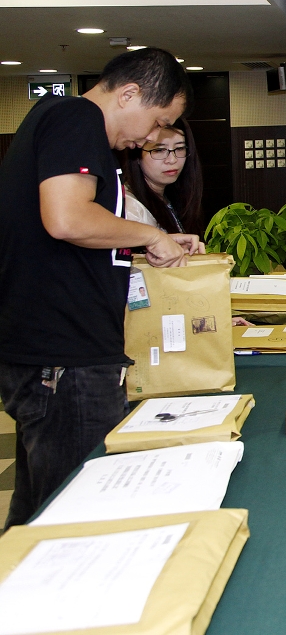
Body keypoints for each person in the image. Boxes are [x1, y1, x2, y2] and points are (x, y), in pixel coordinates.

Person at [0, 47, 203, 529]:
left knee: (39, 510)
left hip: (57, 351)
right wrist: (150, 234)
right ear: (129, 93)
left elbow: (77, 232)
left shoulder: (68, 125)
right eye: (157, 122)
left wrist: (147, 242)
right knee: (77, 516)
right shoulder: (76, 117)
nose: (151, 138)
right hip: (64, 358)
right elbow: (67, 218)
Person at [121, 118, 204, 234]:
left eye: (180, 148)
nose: (172, 160)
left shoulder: (171, 196)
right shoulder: (131, 208)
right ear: (137, 155)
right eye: (159, 150)